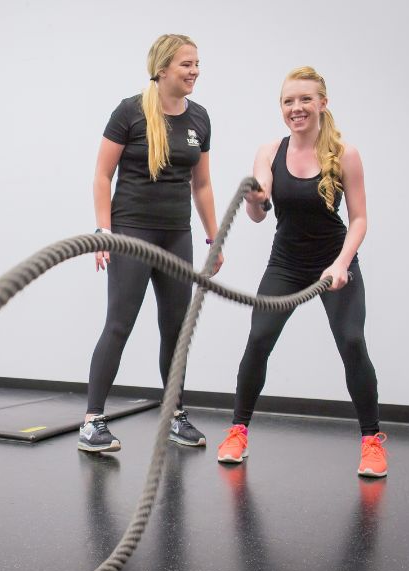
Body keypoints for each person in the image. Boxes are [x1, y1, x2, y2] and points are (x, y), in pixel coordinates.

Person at [217, 66, 388, 477]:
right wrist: (255, 199)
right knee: (258, 339)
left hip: (334, 261)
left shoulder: (345, 153)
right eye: (288, 101)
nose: (297, 108)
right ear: (282, 108)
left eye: (305, 99)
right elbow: (260, 215)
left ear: (322, 103)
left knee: (351, 341)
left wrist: (342, 263)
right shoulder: (269, 151)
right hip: (287, 264)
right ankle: (238, 430)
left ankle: (372, 440)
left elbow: (360, 218)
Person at [78, 34, 221, 453]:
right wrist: (103, 231)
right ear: (162, 69)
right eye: (186, 64)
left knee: (176, 331)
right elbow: (102, 175)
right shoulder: (129, 112)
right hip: (132, 232)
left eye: (197, 64)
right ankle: (92, 422)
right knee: (119, 323)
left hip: (177, 234)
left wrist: (214, 236)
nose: (195, 71)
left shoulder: (199, 119)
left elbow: (204, 184)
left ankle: (175, 415)